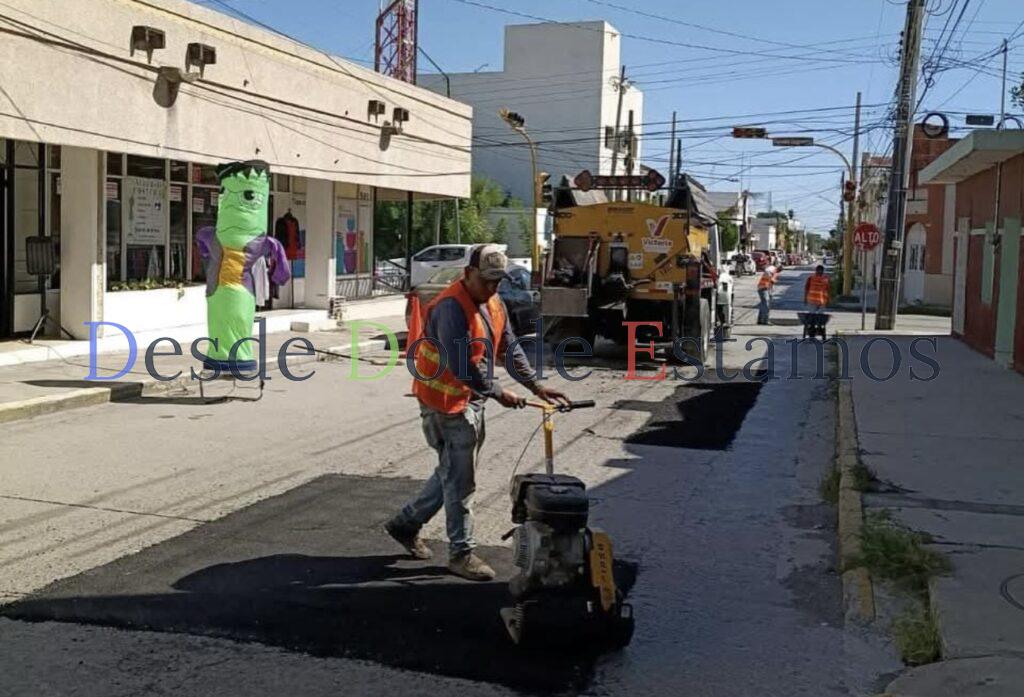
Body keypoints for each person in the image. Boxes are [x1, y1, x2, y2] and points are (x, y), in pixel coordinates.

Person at [386, 244, 570, 581]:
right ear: (467, 273)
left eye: (498, 281)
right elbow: (462, 367)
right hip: (444, 403)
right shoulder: (450, 309)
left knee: (454, 471)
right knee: (461, 481)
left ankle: (406, 523)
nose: (493, 288)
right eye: (486, 281)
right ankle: (461, 553)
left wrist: (536, 387)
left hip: (470, 399)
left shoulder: (493, 302)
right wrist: (501, 393)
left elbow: (510, 347)